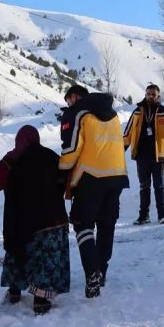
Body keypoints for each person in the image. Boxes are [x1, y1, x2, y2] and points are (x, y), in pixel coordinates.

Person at [59, 86, 128, 298]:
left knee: (83, 225)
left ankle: (92, 274)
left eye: (68, 99)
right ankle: (102, 271)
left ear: (74, 96)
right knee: (107, 225)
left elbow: (71, 148)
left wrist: (61, 170)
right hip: (116, 176)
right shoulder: (113, 114)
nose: (69, 104)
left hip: (89, 176)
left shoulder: (78, 113)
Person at [0, 125, 70, 315]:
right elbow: (64, 180)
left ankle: (14, 291)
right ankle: (41, 300)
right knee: (46, 258)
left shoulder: (13, 159)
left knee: (17, 249)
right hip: (52, 218)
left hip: (20, 219)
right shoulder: (50, 156)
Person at [122, 84, 164, 225]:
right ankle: (144, 216)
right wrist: (120, 152)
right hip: (141, 156)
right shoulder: (137, 112)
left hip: (158, 155)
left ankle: (162, 216)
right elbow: (128, 133)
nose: (150, 96)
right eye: (148, 94)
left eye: (153, 94)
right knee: (144, 186)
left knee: (159, 186)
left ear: (158, 96)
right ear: (145, 94)